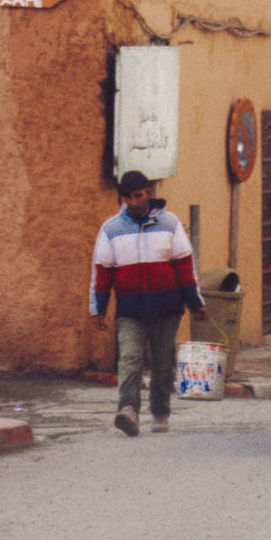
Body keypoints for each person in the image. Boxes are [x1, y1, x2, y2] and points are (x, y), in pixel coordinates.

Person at [90, 170, 207, 437]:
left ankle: (159, 412)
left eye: (138, 196)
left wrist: (195, 303)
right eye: (127, 198)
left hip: (167, 308)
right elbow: (103, 271)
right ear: (121, 199)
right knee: (129, 358)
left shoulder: (170, 223)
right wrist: (98, 308)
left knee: (163, 362)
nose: (133, 203)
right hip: (130, 310)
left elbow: (185, 269)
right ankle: (129, 410)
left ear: (149, 193)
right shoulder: (111, 229)